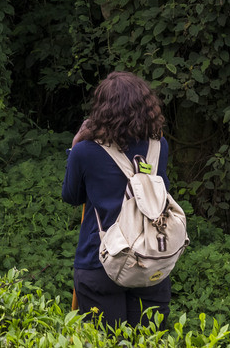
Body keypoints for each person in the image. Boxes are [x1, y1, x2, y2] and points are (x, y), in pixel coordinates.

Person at [62, 70, 173, 327]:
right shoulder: (159, 146)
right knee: (148, 343)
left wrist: (75, 144)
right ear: (147, 107)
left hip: (99, 262)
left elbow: (71, 196)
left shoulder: (84, 151)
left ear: (102, 109)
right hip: (151, 261)